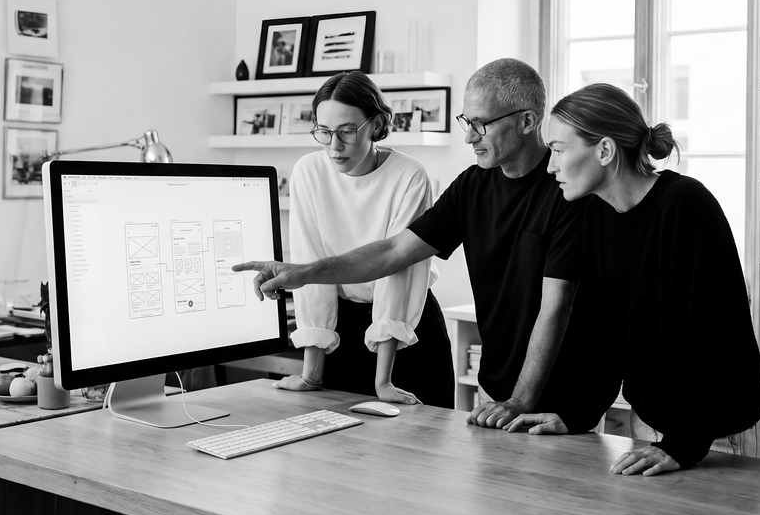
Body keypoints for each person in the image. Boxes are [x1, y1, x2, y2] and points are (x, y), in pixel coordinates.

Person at [235, 58, 584, 428]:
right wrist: (304, 273)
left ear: (528, 122)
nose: (468, 137)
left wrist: (520, 400)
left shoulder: (568, 190)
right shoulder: (472, 186)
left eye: (480, 124)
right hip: (499, 391)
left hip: (556, 400)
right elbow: (395, 251)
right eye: (466, 122)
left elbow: (556, 306)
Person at [506, 82, 760, 476]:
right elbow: (604, 334)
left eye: (559, 150)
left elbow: (716, 337)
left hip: (714, 433)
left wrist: (683, 444)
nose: (550, 166)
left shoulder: (686, 205)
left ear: (605, 150)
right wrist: (575, 414)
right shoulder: (595, 215)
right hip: (653, 427)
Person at [269, 71, 453, 407]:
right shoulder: (308, 172)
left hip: (408, 331)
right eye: (323, 132)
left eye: (347, 132)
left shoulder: (408, 175)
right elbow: (313, 272)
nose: (334, 147)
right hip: (341, 330)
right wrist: (312, 373)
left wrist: (383, 381)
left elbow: (397, 273)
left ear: (377, 125)